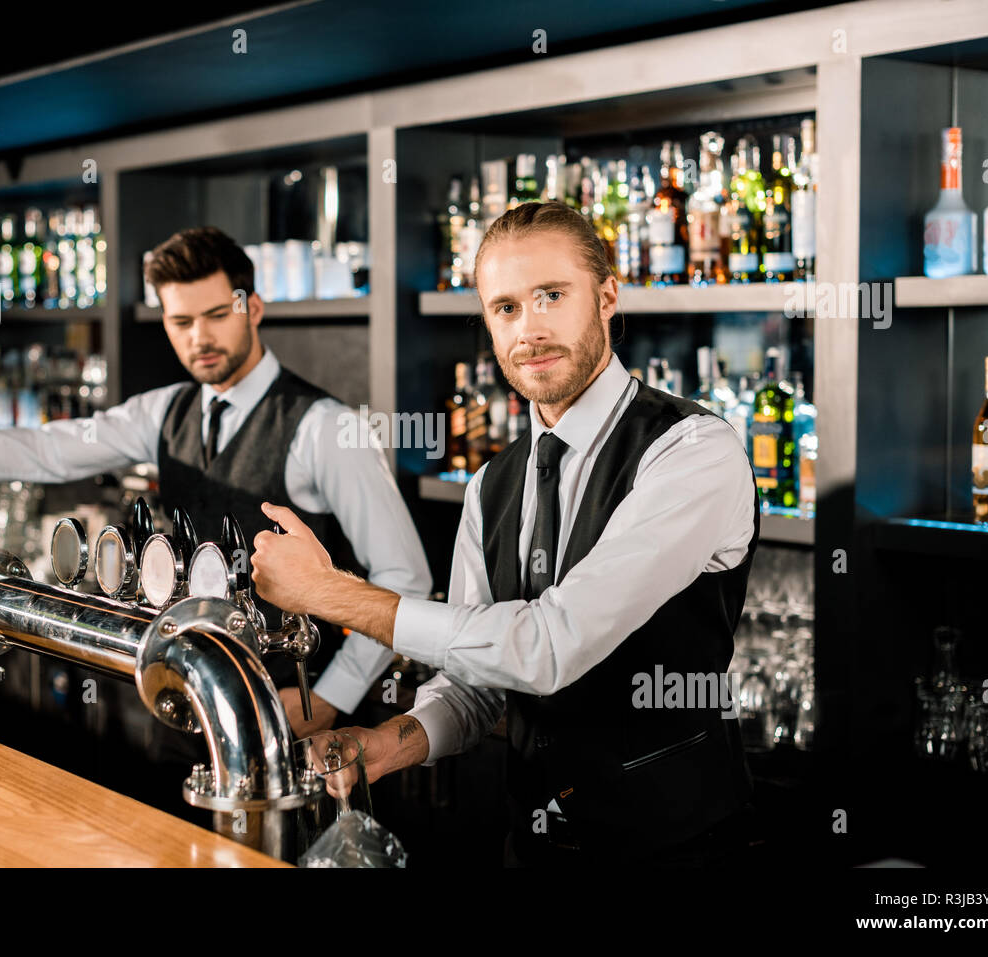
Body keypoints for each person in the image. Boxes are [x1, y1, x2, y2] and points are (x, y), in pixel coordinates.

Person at [251, 201, 761, 866]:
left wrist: (331, 594)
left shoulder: (692, 451)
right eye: (506, 307)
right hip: (534, 846)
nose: (531, 329)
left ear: (608, 295)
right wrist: (393, 741)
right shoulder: (492, 486)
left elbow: (550, 644)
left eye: (552, 295)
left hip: (677, 850)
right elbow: (476, 680)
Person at [0, 225, 431, 737]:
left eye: (216, 315)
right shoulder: (166, 411)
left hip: (287, 703)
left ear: (252, 307)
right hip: (182, 688)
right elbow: (50, 448)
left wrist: (329, 702)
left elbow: (408, 579)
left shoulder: (324, 427)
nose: (198, 337)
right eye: (180, 321)